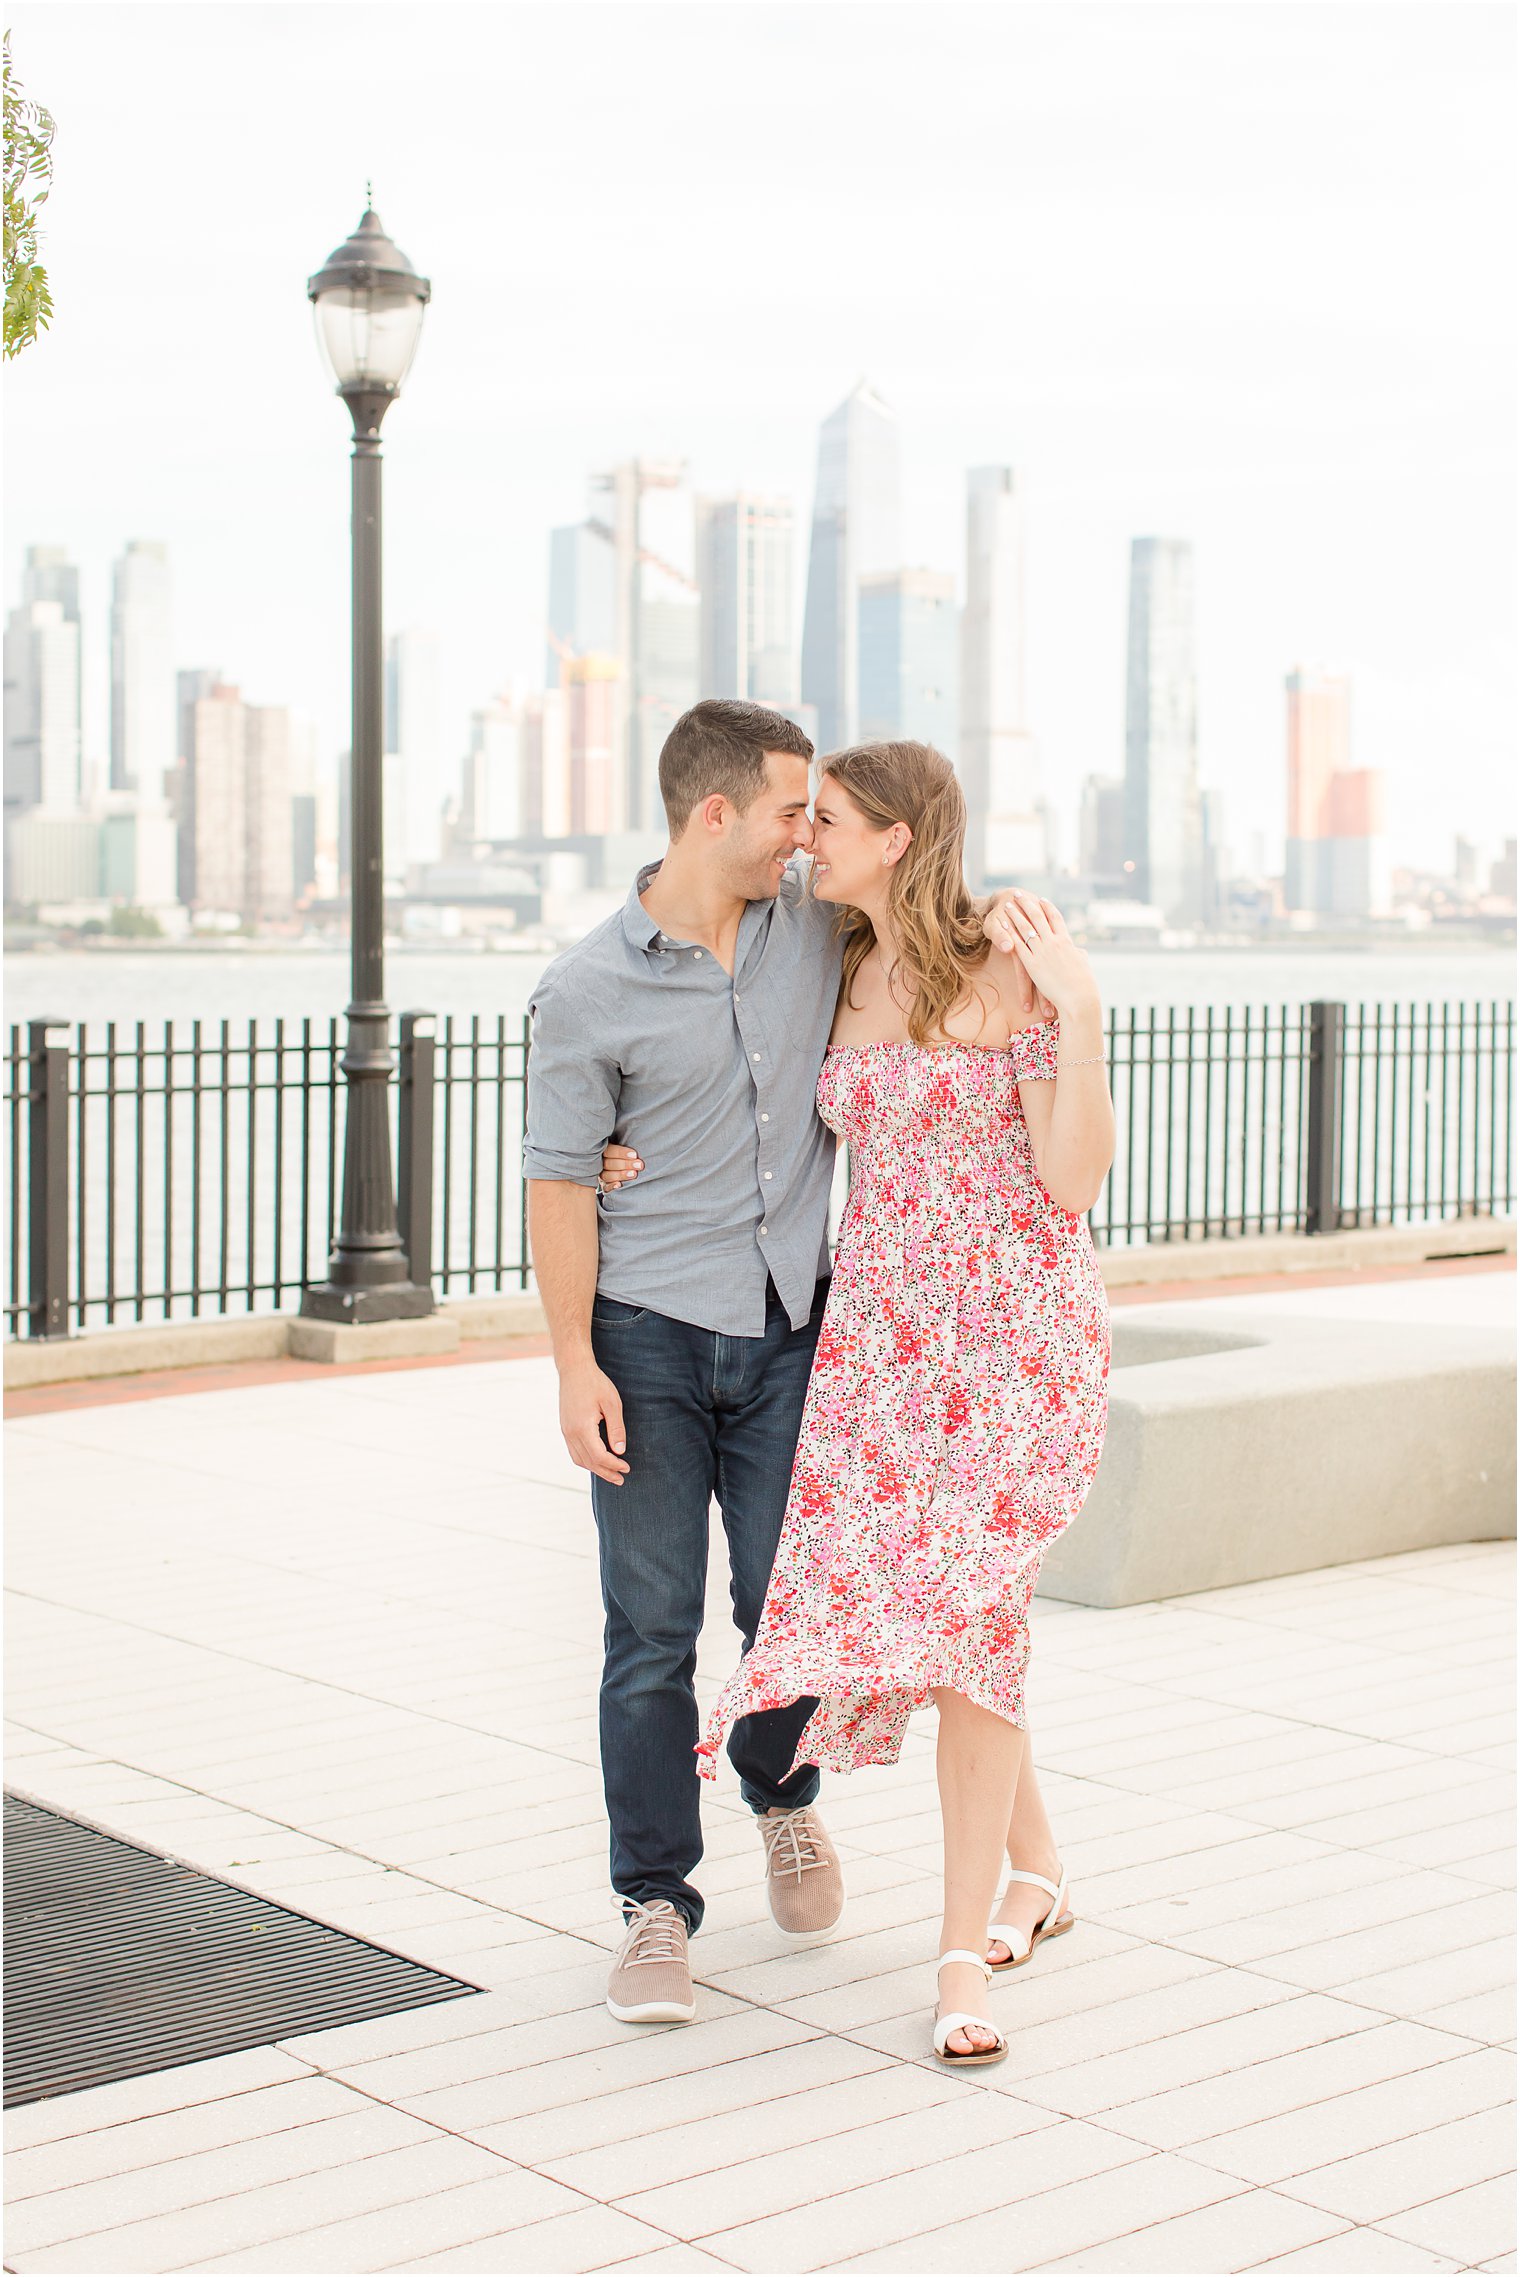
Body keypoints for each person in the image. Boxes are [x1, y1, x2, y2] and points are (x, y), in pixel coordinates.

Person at [524, 700, 1040, 2028]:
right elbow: (562, 1183)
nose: (809, 835)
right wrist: (572, 1358)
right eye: (790, 812)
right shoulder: (586, 988)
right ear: (717, 816)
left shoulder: (821, 933)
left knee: (797, 1606)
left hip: (792, 1334)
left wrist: (1049, 954)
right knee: (648, 1634)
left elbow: (940, 935)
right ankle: (655, 1902)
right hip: (642, 1338)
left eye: (823, 815)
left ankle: (780, 1790)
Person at [691, 739, 1114, 2067]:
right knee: (939, 1628)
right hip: (878, 1349)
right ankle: (1036, 1869)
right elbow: (745, 1101)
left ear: (899, 835)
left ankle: (955, 1964)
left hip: (1009, 1346)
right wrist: (619, 1149)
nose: (807, 837)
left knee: (976, 1625)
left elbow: (1072, 1180)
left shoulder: (1009, 960)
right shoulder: (835, 967)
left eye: (830, 819)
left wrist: (1084, 1015)